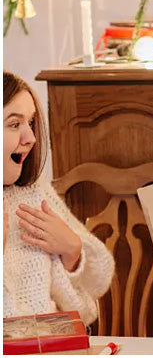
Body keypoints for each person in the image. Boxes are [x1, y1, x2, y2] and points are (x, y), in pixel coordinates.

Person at [3, 71, 114, 325]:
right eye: (14, 124)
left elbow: (84, 309)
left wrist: (72, 252)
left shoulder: (31, 193)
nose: (30, 138)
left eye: (30, 123)